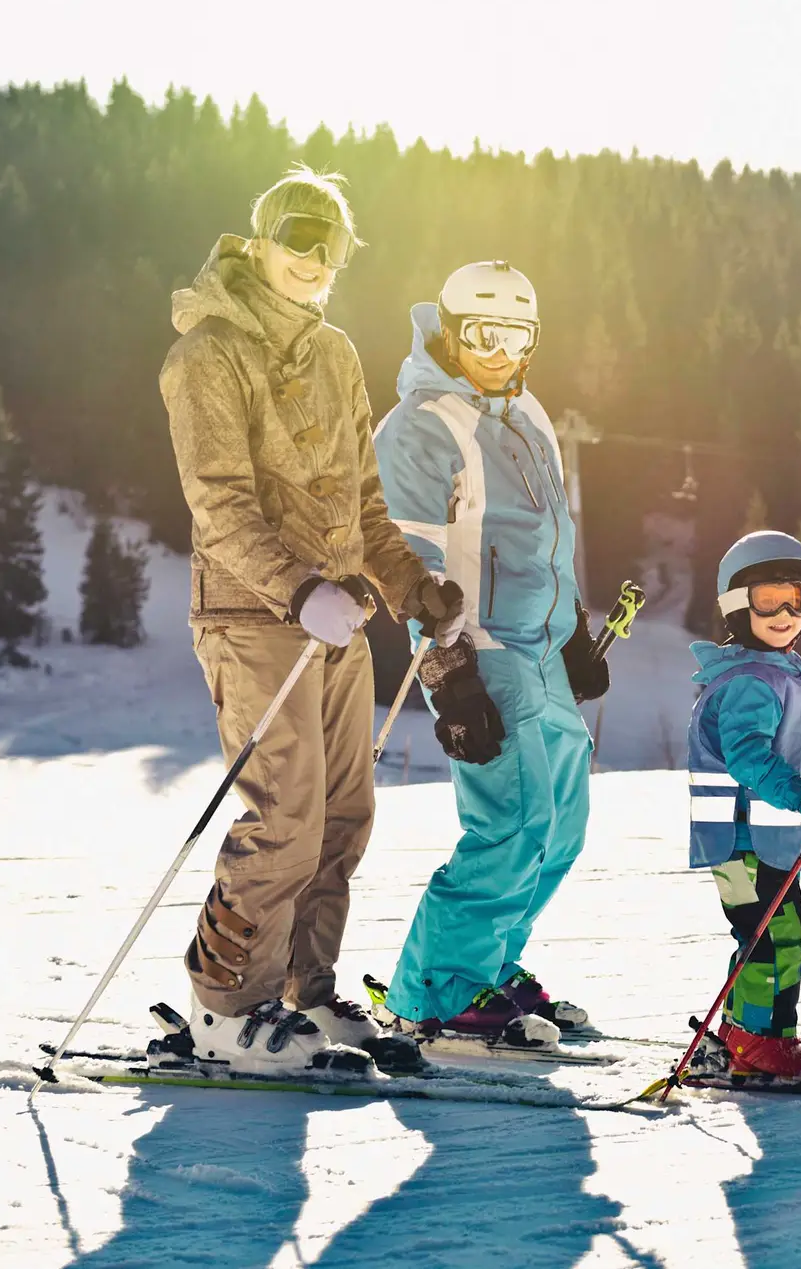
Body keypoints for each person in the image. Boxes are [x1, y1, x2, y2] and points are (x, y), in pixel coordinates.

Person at [160, 166, 466, 1074]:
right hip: (256, 617)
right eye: (296, 236)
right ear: (259, 242)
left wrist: (413, 587)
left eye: (328, 244)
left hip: (338, 618)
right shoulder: (208, 353)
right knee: (284, 812)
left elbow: (367, 505)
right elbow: (218, 503)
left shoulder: (334, 354)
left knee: (343, 813)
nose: (311, 257)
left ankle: (302, 992)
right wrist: (297, 591)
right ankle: (226, 1007)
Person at [371, 260, 611, 1049]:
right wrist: (451, 678)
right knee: (511, 822)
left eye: (517, 336)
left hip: (542, 648)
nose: (501, 352)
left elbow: (550, 539)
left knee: (563, 825)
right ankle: (437, 991)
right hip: (480, 651)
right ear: (449, 330)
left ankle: (494, 963)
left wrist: (574, 629)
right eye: (484, 335)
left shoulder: (529, 413)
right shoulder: (419, 425)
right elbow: (411, 568)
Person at [685, 530, 801, 1084]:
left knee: (774, 933)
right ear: (738, 605)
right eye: (769, 599)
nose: (785, 612)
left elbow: (783, 750)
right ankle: (758, 1044)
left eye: (798, 596)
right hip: (741, 841)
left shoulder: (776, 671)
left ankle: (750, 1036)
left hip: (762, 840)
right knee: (774, 935)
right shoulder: (750, 680)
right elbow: (748, 760)